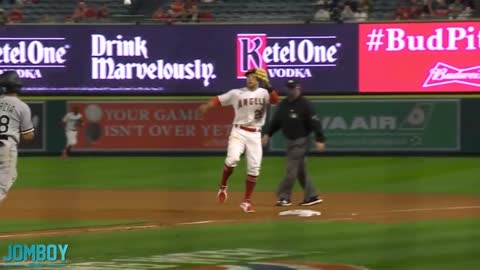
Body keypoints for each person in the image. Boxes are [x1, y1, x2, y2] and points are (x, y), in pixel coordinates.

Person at [198, 68, 279, 213]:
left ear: (258, 80)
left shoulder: (264, 92)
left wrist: (268, 84)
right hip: (239, 131)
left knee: (254, 168)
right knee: (232, 159)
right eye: (248, 77)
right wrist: (207, 106)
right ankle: (223, 185)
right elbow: (218, 99)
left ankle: (246, 201)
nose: (250, 79)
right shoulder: (236, 93)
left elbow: (275, 100)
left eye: (253, 77)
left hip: (255, 134)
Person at [262, 79, 326, 207]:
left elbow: (315, 122)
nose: (290, 90)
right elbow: (276, 122)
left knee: (291, 170)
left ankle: (283, 197)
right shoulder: (284, 104)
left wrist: (320, 138)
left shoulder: (305, 104)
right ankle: (312, 196)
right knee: (300, 171)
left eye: (293, 88)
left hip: (301, 141)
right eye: (289, 88)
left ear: (298, 88)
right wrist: (268, 134)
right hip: (290, 142)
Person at [0, 71, 34, 204]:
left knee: (12, 174)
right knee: (3, 186)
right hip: (6, 146)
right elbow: (28, 135)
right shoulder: (22, 106)